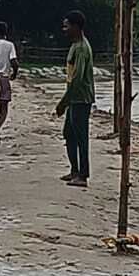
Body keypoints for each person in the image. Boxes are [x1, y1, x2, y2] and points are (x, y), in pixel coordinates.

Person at [53, 10, 94, 187]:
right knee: (69, 134)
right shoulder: (75, 46)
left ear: (76, 27)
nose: (64, 29)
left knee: (80, 137)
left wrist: (63, 102)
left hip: (80, 99)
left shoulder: (82, 49)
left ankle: (82, 175)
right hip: (74, 98)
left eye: (67, 26)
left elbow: (76, 79)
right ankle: (74, 170)